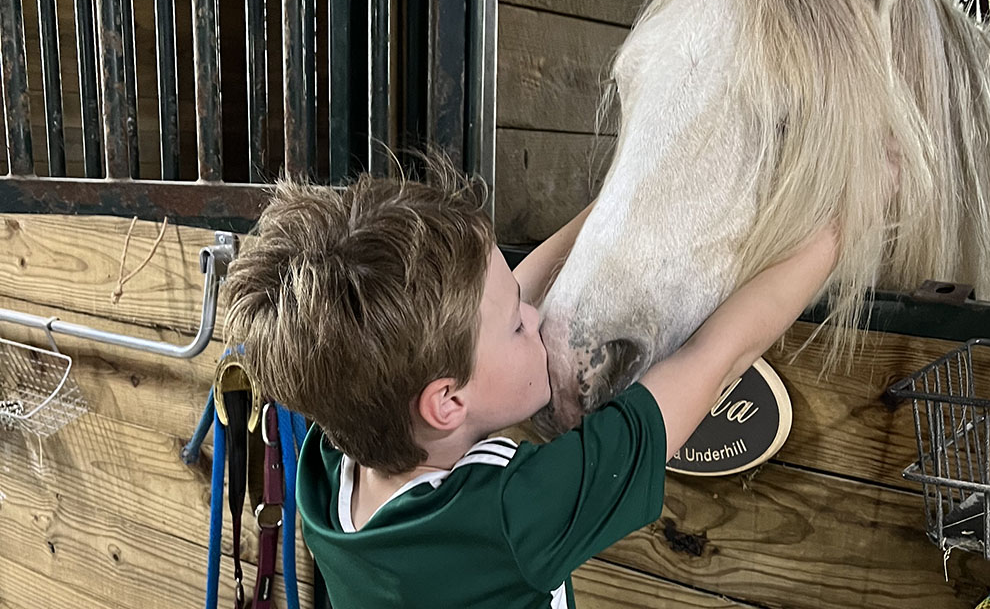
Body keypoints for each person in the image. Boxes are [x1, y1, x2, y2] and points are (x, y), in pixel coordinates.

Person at [224, 158, 838, 608]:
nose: (538, 316)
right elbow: (719, 356)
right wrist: (845, 220)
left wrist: (629, 190)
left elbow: (483, 321)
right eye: (520, 325)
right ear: (447, 402)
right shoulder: (511, 516)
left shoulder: (328, 466)